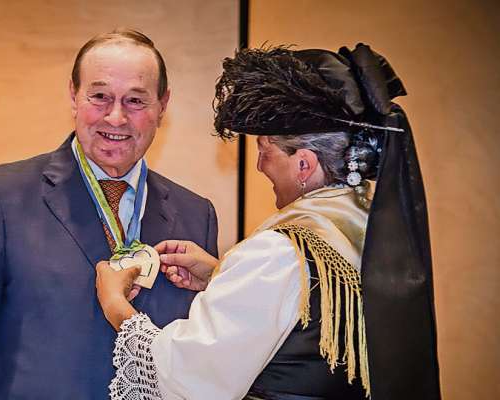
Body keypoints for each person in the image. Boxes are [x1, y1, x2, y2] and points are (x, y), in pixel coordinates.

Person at [96, 45, 441, 400]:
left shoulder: (279, 251)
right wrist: (221, 275)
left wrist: (117, 308)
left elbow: (188, 377)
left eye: (265, 150)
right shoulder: (368, 227)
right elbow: (303, 320)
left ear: (303, 165)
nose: (260, 165)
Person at [0, 29, 218, 399]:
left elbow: (200, 358)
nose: (115, 118)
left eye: (135, 101)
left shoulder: (196, 215)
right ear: (73, 96)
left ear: (163, 106)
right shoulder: (3, 197)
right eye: (99, 97)